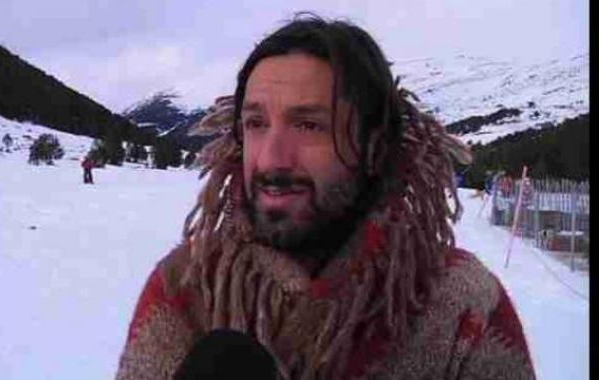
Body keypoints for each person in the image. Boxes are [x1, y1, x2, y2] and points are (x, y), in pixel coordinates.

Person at [115, 14, 534, 380]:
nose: (271, 159)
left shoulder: (461, 305)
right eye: (256, 124)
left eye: (309, 125)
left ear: (375, 147)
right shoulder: (184, 286)